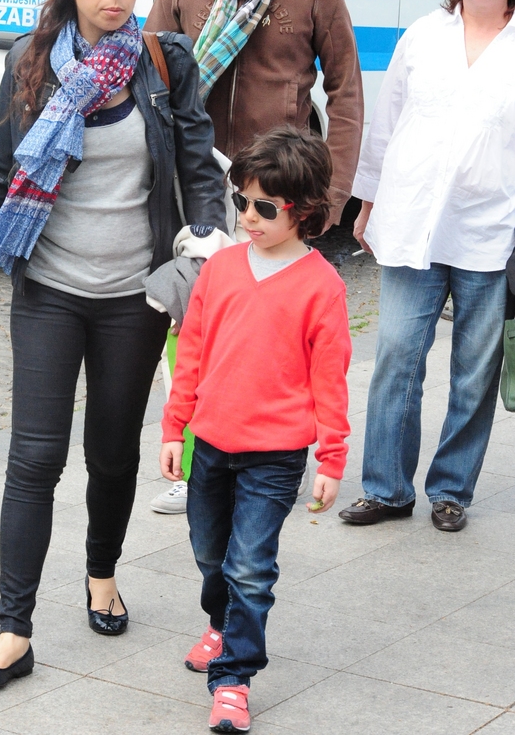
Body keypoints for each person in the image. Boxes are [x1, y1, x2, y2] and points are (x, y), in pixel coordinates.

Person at [0, 0, 227, 688]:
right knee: (34, 459)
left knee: (110, 453)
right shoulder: (29, 61)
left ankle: (101, 573)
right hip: (48, 288)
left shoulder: (164, 61)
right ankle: (13, 631)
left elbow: (197, 166)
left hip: (134, 296)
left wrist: (207, 243)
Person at [148, 0, 362, 515]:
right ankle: (193, 460)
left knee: (266, 333)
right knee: (190, 319)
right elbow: (148, 73)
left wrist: (331, 194)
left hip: (275, 190)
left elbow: (346, 91)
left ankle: (268, 455)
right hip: (195, 180)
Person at [160, 126, 351, 734]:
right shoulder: (220, 270)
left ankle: (234, 679)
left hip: (276, 455)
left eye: (264, 208)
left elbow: (331, 381)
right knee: (209, 554)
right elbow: (191, 353)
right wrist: (174, 428)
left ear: (304, 210)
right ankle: (220, 626)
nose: (246, 216)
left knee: (249, 568)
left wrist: (332, 459)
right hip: (212, 444)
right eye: (241, 200)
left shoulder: (323, 287)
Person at [339, 0, 515, 534]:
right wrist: (367, 201)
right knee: (396, 356)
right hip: (412, 219)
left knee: (474, 372)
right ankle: (386, 488)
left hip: (489, 230)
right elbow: (386, 124)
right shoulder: (422, 35)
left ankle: (451, 489)